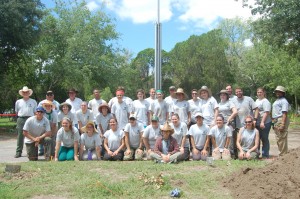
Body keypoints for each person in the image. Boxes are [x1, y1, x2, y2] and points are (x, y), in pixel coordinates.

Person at [232, 87, 258, 158]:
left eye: (239, 91)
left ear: (242, 91)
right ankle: (239, 154)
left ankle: (255, 153)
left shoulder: (249, 99)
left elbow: (256, 109)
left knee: (252, 140)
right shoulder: (234, 101)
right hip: (239, 125)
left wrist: (255, 119)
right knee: (239, 141)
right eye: (237, 92)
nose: (238, 93)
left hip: (249, 124)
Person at [14, 86, 37, 158]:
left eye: (26, 92)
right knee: (20, 135)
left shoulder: (33, 101)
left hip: (30, 118)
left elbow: (35, 112)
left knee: (31, 135)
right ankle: (18, 152)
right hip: (21, 118)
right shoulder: (18, 102)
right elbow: (16, 111)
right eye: (24, 92)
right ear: (22, 93)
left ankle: (30, 152)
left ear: (29, 93)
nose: (25, 93)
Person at [272, 86, 290, 156]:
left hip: (281, 119)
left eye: (279, 91)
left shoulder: (284, 101)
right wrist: (273, 123)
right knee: (278, 138)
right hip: (276, 120)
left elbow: (284, 113)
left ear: (282, 93)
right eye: (276, 91)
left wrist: (283, 124)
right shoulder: (277, 100)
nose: (277, 93)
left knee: (282, 138)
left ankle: (284, 155)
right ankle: (282, 153)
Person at [255, 87, 272, 158]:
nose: (259, 93)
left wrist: (262, 122)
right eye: (258, 92)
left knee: (264, 138)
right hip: (258, 122)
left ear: (264, 93)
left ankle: (265, 154)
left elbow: (267, 112)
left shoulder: (265, 101)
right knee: (257, 139)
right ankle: (257, 153)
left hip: (265, 123)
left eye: (260, 92)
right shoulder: (256, 100)